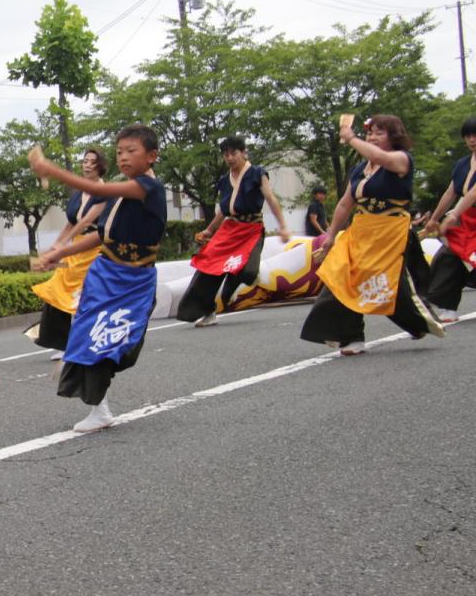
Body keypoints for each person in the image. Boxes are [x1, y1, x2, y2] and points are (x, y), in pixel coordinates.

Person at [28, 124, 166, 434]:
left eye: (132, 151)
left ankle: (98, 404)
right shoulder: (124, 192)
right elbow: (102, 236)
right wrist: (58, 254)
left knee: (112, 340)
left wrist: (49, 169)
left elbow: (99, 190)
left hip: (133, 281)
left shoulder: (147, 188)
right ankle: (99, 409)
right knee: (86, 335)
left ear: (152, 156)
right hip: (104, 273)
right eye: (120, 152)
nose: (124, 157)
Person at [300, 115, 444, 355]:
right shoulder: (361, 169)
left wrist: (351, 138)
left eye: (380, 133)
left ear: (394, 136)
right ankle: (350, 336)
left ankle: (417, 324)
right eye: (370, 133)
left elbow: (380, 157)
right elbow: (345, 204)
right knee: (340, 275)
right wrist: (331, 235)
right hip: (360, 232)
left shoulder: (401, 160)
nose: (372, 137)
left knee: (388, 287)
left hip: (389, 233)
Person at [176, 136, 290, 327]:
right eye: (226, 154)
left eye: (233, 153)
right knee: (207, 266)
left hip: (251, 229)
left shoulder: (257, 173)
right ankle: (208, 311)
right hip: (230, 229)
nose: (229, 158)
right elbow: (224, 209)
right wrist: (209, 230)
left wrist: (283, 226)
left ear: (243, 152)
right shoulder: (224, 181)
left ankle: (236, 285)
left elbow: (270, 198)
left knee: (247, 270)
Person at [26, 148, 108, 359]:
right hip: (77, 248)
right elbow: (71, 222)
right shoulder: (78, 194)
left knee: (83, 295)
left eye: (92, 161)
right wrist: (56, 246)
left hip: (95, 248)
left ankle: (90, 338)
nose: (87, 164)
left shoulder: (104, 191)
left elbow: (86, 222)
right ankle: (63, 342)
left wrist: (61, 249)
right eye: (85, 161)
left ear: (101, 166)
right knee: (57, 288)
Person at [423, 116, 476, 323]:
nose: (472, 139)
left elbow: (473, 193)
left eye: (475, 135)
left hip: (463, 215)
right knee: (448, 257)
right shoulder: (462, 164)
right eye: (468, 135)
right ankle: (447, 305)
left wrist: (452, 215)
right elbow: (450, 193)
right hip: (466, 219)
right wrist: (433, 219)